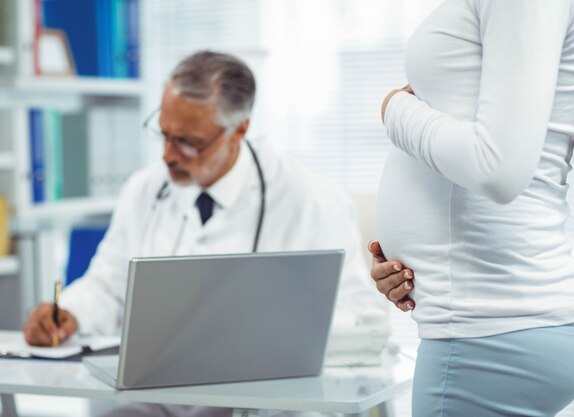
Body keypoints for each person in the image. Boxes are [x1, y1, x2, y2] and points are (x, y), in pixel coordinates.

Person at [22, 51, 382, 417]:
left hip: (261, 397)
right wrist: (69, 312)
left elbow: (360, 319)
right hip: (157, 392)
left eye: (188, 142)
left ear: (239, 128)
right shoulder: (144, 190)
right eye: (163, 133)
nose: (167, 155)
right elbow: (108, 286)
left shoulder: (312, 200)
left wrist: (268, 340)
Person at [369, 0, 574, 416]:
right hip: (492, 325)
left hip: (490, 335)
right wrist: (423, 270)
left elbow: (497, 169)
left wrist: (394, 109)